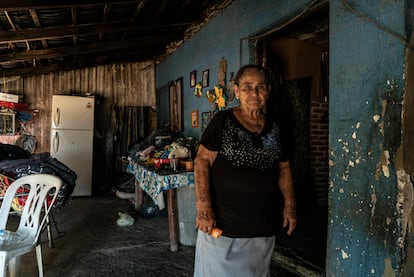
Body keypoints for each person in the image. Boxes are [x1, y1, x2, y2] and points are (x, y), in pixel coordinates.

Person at [193, 64, 297, 277]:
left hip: (262, 225)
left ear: (267, 91)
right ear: (237, 91)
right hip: (222, 226)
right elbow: (202, 161)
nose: (254, 93)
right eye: (247, 86)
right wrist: (204, 207)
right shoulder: (222, 121)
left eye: (260, 87)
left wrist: (289, 205)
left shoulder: (277, 128)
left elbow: (284, 168)